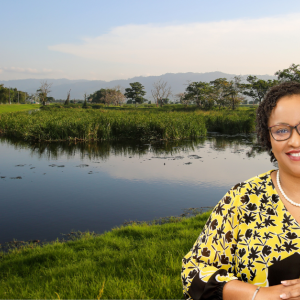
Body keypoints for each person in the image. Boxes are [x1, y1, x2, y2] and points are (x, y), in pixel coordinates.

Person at [181, 81, 300, 300]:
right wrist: (259, 294)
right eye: (282, 130)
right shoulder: (242, 199)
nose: (294, 140)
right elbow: (193, 271)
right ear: (267, 137)